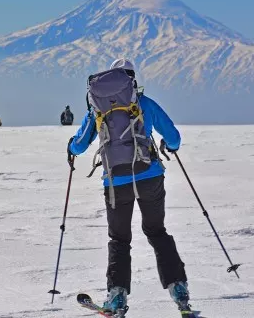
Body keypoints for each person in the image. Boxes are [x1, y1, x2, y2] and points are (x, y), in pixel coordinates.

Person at [67, 58, 190, 315]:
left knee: (119, 239)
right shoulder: (143, 102)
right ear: (132, 79)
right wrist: (172, 147)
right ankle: (178, 289)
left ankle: (117, 297)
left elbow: (78, 146)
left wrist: (70, 146)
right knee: (157, 232)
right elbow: (174, 137)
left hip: (116, 182)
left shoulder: (97, 107)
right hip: (150, 176)